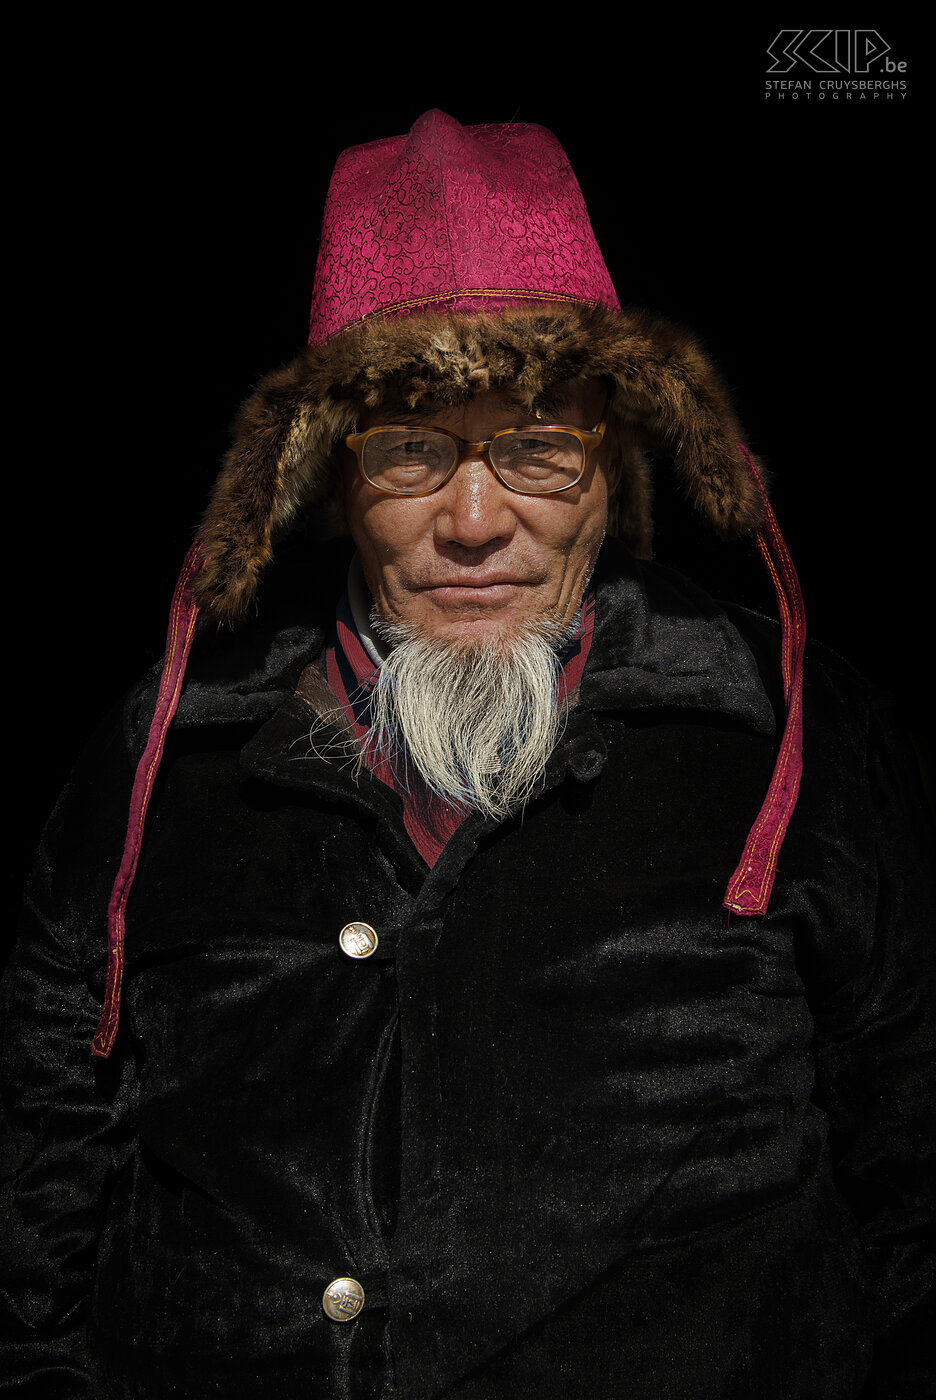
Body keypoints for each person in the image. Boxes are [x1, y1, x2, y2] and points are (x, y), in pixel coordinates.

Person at [2, 109, 933, 1400]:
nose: (477, 519)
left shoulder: (793, 742)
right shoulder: (160, 761)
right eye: (412, 447)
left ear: (612, 459)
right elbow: (30, 1248)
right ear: (334, 475)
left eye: (541, 442)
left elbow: (916, 1226)